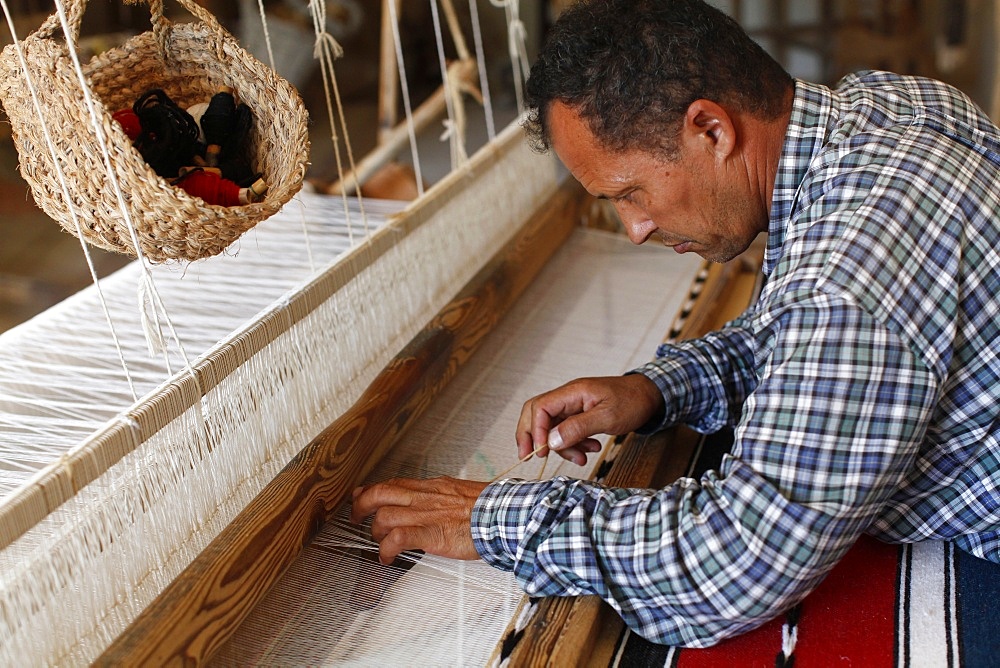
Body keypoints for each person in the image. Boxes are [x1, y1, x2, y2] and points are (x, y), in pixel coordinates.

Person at [352, 0, 1000, 647]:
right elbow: (793, 336)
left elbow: (731, 566)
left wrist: (497, 520)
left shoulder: (851, 276)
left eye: (629, 194)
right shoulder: (889, 109)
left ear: (712, 130)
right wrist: (657, 389)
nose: (634, 231)